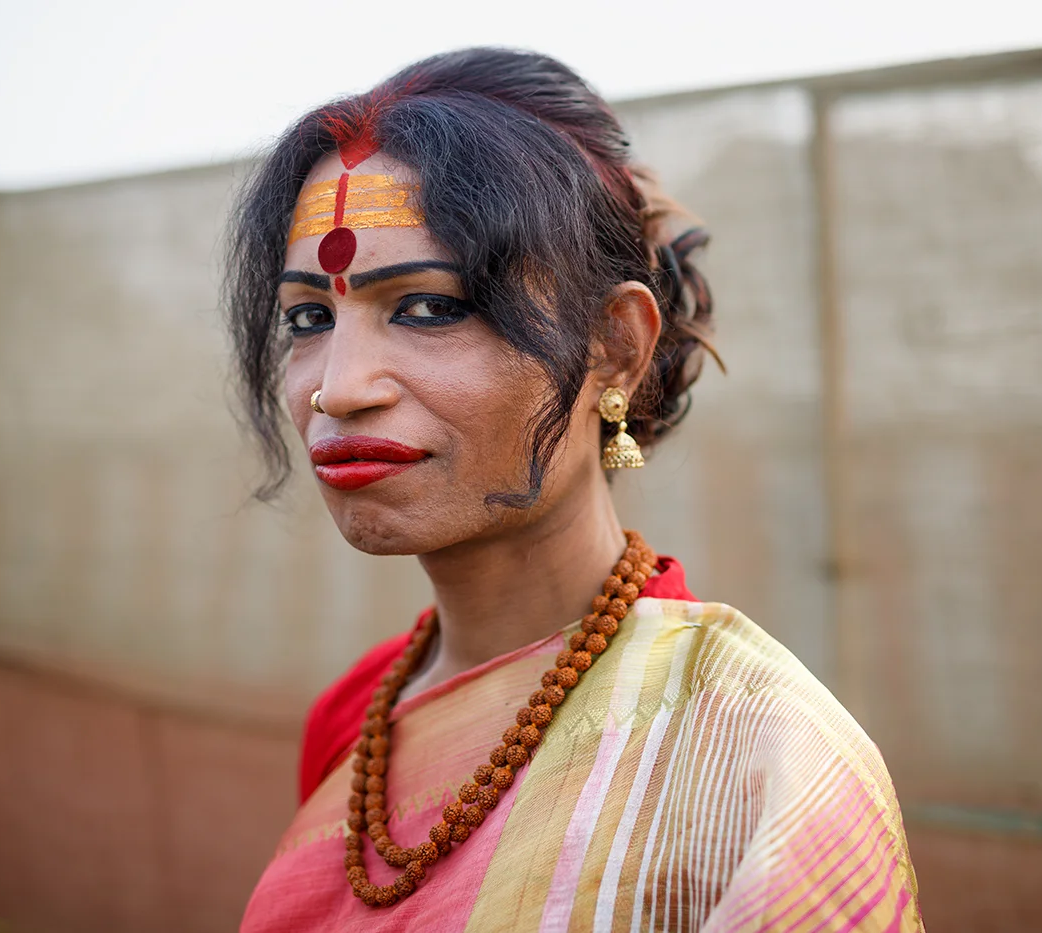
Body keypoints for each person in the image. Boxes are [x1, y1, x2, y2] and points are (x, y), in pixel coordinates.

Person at [226, 47, 923, 932]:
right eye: (308, 318)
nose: (338, 386)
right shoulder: (354, 724)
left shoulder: (751, 746)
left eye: (429, 306)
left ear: (613, 347)